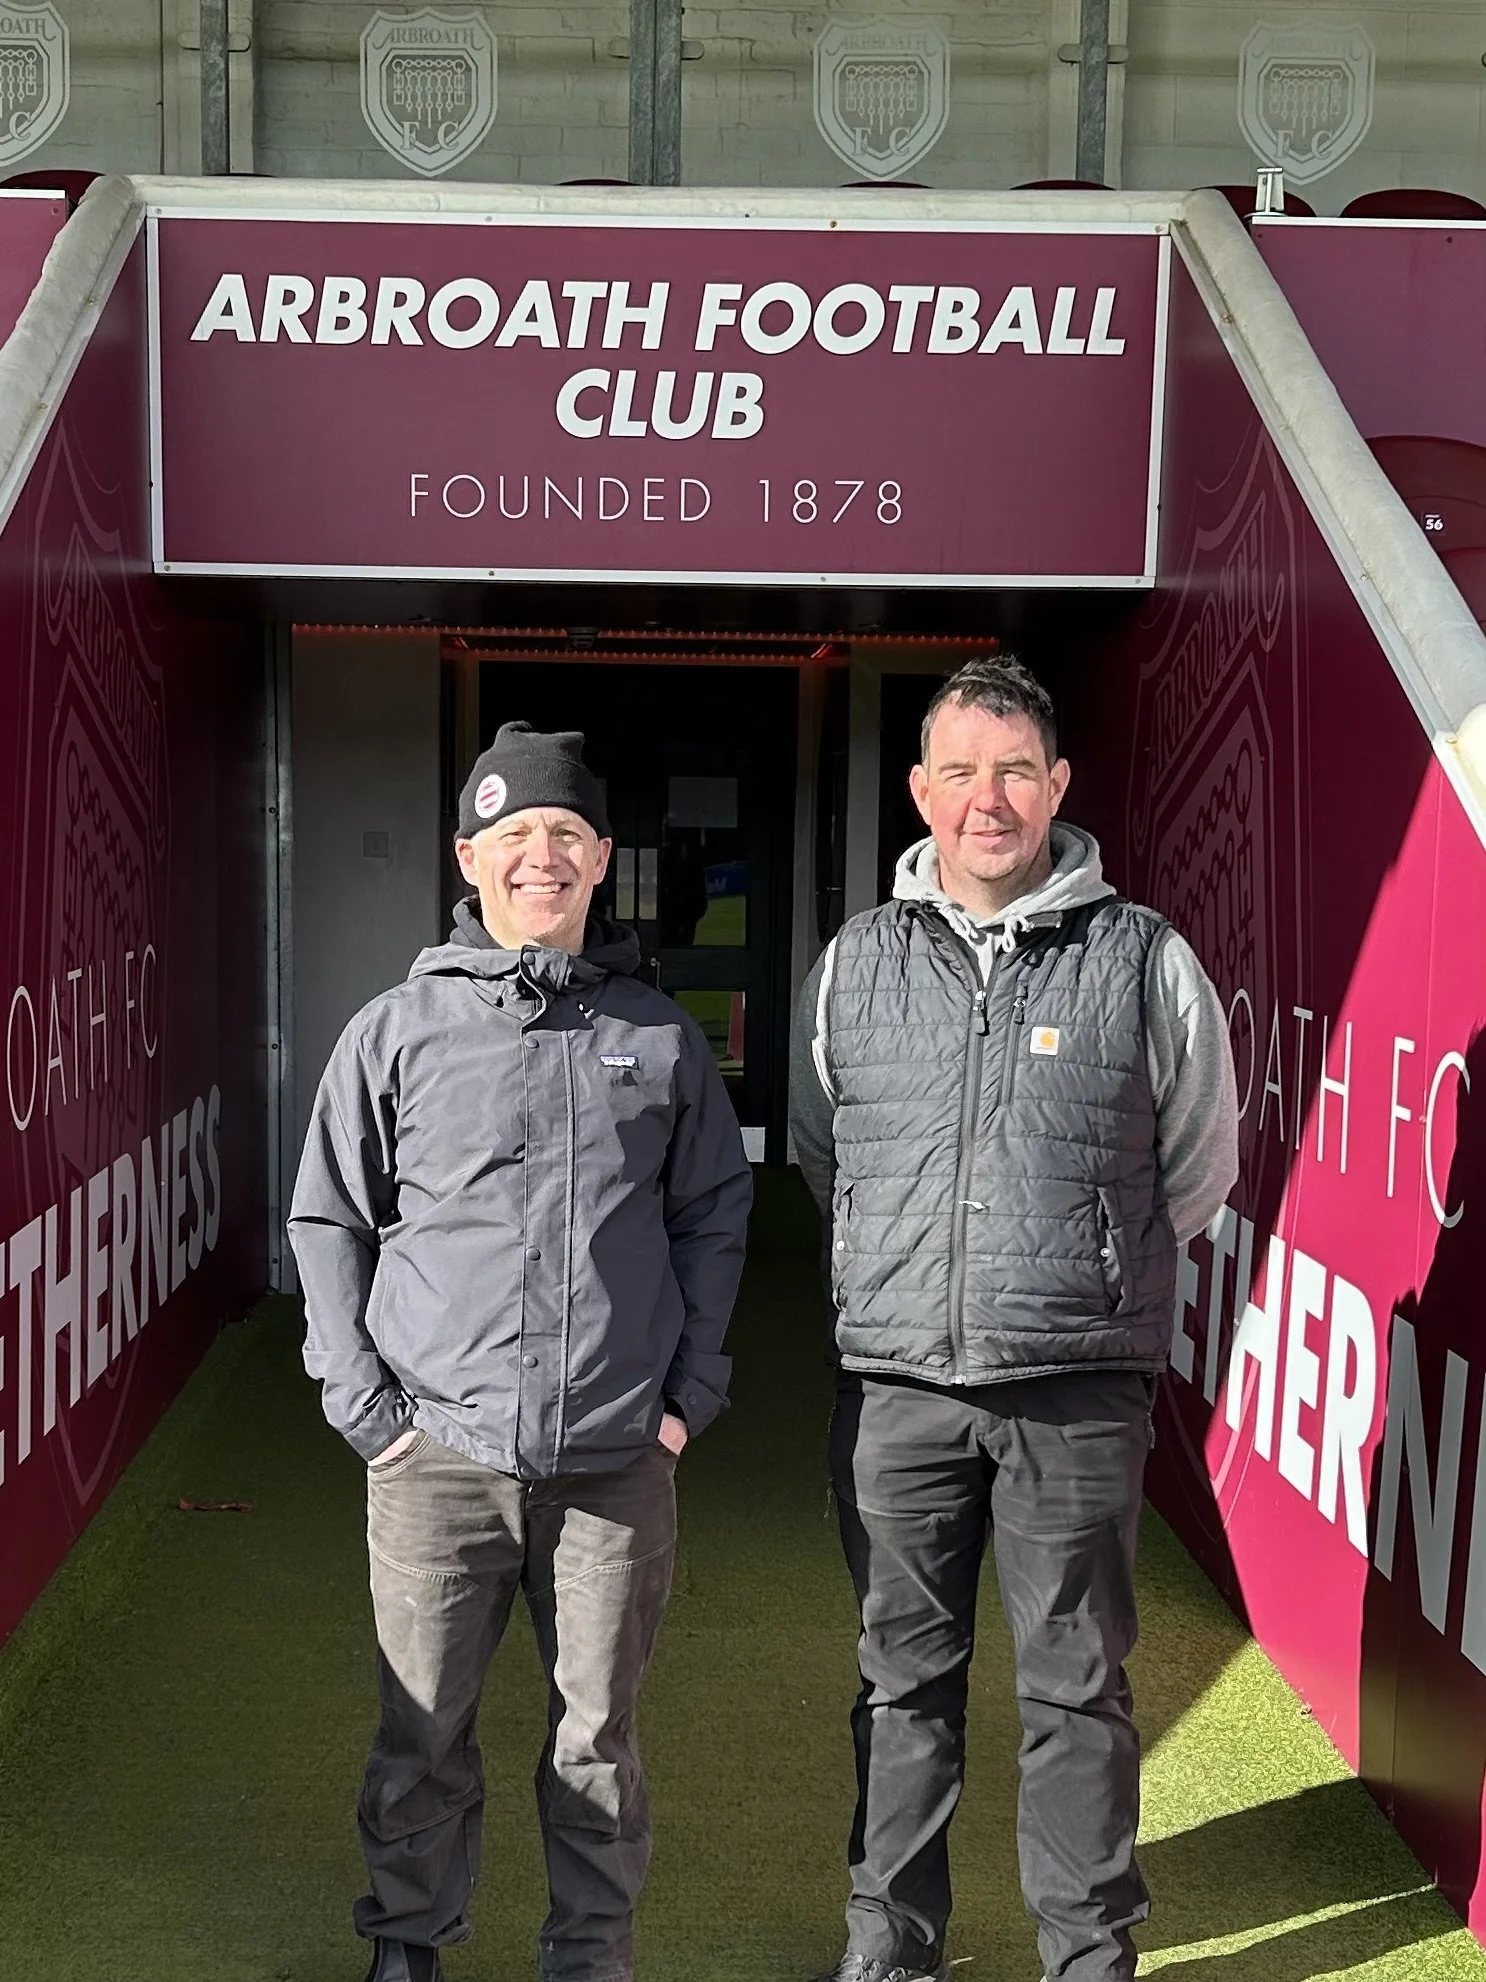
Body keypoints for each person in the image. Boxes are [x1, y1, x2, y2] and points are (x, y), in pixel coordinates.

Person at [790, 658, 1238, 1982]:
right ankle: (891, 1951)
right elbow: (829, 1155)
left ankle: (1086, 1953)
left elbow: (1193, 1165)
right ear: (921, 790)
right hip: (898, 1390)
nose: (988, 798)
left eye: (1014, 770)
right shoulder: (855, 961)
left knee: (1076, 1691)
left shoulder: (1143, 957)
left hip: (1074, 1391)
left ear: (1054, 787)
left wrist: (1087, 1270)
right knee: (900, 1684)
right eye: (961, 771)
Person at [290, 721, 752, 1982]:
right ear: (467, 856)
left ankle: (588, 1953)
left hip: (614, 1459)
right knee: (421, 1728)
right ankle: (407, 1946)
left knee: (598, 1736)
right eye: (512, 838)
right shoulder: (395, 1030)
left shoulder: (657, 1035)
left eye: (563, 836)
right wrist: (368, 1408)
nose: (538, 859)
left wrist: (687, 1396)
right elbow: (327, 1213)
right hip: (436, 1452)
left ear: (601, 856)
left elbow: (715, 1214)